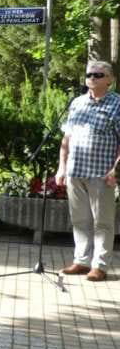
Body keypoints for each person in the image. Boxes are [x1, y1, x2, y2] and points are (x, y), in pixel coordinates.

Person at [55, 60, 120, 281]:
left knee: (103, 222)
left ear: (110, 80)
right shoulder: (77, 103)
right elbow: (66, 139)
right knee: (79, 220)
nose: (92, 77)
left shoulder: (117, 104)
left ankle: (99, 266)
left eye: (98, 75)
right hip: (75, 171)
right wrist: (62, 167)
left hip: (102, 174)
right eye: (89, 74)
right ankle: (81, 261)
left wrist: (115, 171)